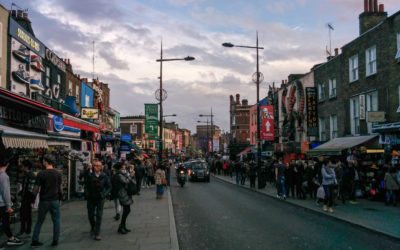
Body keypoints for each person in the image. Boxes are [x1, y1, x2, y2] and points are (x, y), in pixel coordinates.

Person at [31, 154, 62, 247]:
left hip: (44, 200)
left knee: (39, 221)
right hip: (55, 200)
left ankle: (35, 240)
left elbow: (36, 188)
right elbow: (59, 188)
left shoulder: (41, 174)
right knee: (56, 221)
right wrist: (60, 198)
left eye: (43, 160)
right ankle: (55, 240)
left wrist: (33, 200)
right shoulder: (58, 173)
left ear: (46, 162)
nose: (43, 162)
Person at [0, 158, 24, 246]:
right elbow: (5, 191)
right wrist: (8, 205)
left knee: (5, 222)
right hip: (2, 203)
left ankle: (11, 237)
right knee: (6, 221)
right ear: (7, 164)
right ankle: (11, 238)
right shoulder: (4, 176)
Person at [86, 160, 111, 241]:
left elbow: (109, 186)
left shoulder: (104, 176)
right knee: (90, 215)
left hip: (100, 198)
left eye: (98, 165)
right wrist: (87, 194)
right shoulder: (89, 175)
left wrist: (104, 194)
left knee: (99, 215)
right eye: (95, 165)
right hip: (91, 198)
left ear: (101, 167)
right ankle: (93, 227)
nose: (96, 167)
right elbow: (86, 186)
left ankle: (97, 233)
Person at [18, 160, 37, 238]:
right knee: (23, 214)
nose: (21, 168)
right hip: (25, 197)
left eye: (22, 166)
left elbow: (32, 189)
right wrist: (21, 193)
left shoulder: (31, 175)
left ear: (26, 167)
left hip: (27, 198)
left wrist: (32, 200)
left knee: (26, 214)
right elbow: (25, 187)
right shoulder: (26, 175)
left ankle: (26, 231)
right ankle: (24, 230)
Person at [114, 162, 134, 234]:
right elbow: (126, 182)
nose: (125, 166)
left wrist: (129, 175)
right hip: (122, 194)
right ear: (121, 167)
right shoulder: (119, 175)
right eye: (123, 165)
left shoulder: (123, 173)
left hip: (125, 193)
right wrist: (131, 175)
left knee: (127, 210)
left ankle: (123, 226)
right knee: (127, 210)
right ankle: (121, 227)